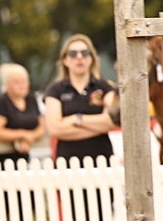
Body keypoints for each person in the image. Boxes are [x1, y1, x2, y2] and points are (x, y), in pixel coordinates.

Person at [44, 34, 117, 162]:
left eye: (84, 53)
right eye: (73, 53)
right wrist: (98, 127)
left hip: (102, 160)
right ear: (65, 60)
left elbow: (112, 121)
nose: (79, 57)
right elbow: (54, 128)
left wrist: (76, 119)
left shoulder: (104, 87)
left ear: (92, 58)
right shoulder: (55, 90)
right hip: (67, 163)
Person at [0, 63, 45, 165]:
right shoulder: (0, 102)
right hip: (4, 157)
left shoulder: (31, 99)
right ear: (7, 84)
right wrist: (22, 135)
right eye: (16, 82)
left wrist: (30, 137)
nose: (21, 85)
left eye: (24, 81)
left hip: (29, 153)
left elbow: (42, 125)